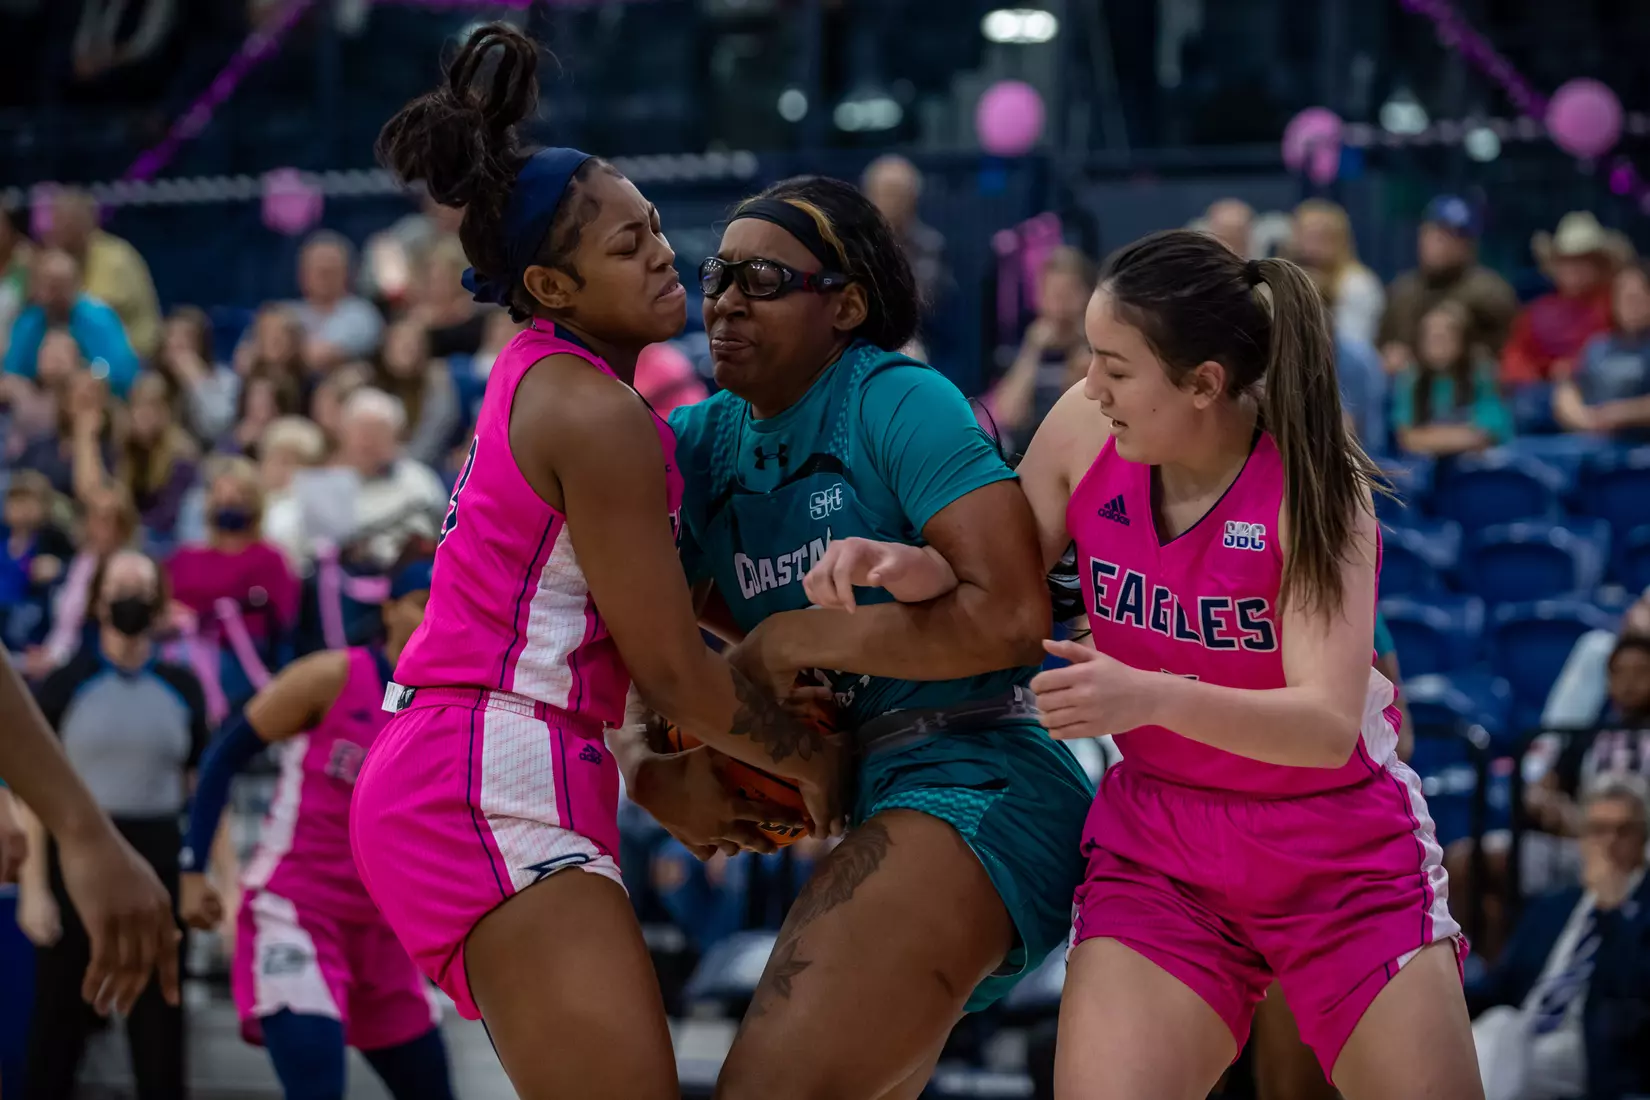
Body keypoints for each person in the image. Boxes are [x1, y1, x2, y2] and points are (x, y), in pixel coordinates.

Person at [347, 25, 843, 1100]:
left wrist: (653, 772)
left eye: (656, 226)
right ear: (551, 284)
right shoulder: (593, 409)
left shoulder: (567, 386)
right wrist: (818, 765)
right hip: (477, 768)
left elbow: (584, 636)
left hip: (503, 758)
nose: (662, 251)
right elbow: (672, 670)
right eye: (626, 246)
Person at [620, 175, 1094, 1100]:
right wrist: (653, 767)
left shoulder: (896, 398)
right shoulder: (701, 445)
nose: (723, 299)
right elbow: (639, 641)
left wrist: (789, 639)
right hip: (872, 793)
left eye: (761, 278)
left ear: (845, 303)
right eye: (718, 274)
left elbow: (1010, 617)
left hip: (979, 773)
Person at [1013, 230, 1476, 1097]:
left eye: (1116, 367)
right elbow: (999, 584)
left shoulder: (1315, 490)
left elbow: (1324, 728)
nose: (1090, 385)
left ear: (1203, 384)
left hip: (1337, 854)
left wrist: (1143, 693)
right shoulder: (1084, 428)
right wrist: (903, 566)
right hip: (1164, 848)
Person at [177, 559, 455, 1100]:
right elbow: (221, 757)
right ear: (389, 609)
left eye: (445, 600)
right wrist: (193, 870)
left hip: (385, 931)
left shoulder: (452, 701)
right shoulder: (331, 675)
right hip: (299, 911)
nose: (434, 611)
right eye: (421, 600)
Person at [17, 549, 208, 1100]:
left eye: (143, 586)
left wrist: (214, 878)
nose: (131, 597)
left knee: (160, 1031)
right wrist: (34, 891)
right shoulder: (65, 682)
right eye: (121, 585)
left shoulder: (182, 684)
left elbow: (201, 791)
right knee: (56, 1032)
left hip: (159, 858)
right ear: (97, 598)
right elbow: (31, 793)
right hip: (76, 861)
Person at [0, 645, 180, 1014]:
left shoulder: (178, 683)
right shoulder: (70, 681)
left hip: (148, 842)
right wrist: (81, 833)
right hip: (72, 843)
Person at [1468, 778, 1650, 1100]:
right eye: (1597, 829)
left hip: (1591, 1049)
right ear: (1581, 838)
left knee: (1498, 1047)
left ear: (1643, 839)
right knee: (1492, 1028)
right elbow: (1501, 984)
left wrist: (1611, 914)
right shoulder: (1554, 905)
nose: (1608, 842)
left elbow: (1634, 997)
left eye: (1622, 830)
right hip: (1523, 1033)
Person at [1378, 195, 1518, 375]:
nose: (1438, 242)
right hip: (1408, 390)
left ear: (1467, 245)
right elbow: (1381, 344)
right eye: (1433, 233)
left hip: (1469, 390)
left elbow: (1510, 352)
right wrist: (1388, 355)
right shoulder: (1402, 290)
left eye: (1450, 235)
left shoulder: (1491, 292)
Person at [1502, 212, 1629, 389]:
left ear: (1599, 266)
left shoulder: (1617, 304)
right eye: (1565, 262)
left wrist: (1577, 367)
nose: (1572, 270)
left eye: (1582, 261)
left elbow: (1632, 352)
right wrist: (1538, 380)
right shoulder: (1536, 312)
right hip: (1543, 396)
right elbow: (1515, 358)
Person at [1391, 300, 1513, 457]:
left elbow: (1482, 436)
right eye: (1429, 338)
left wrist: (1428, 436)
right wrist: (1457, 435)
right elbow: (1407, 438)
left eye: (1442, 338)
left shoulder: (1481, 373)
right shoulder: (1411, 377)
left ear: (1463, 340)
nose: (1435, 346)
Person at [1553, 260, 1650, 441]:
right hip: (1592, 441)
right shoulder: (1597, 346)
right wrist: (1583, 419)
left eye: (1636, 298)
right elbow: (1568, 389)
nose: (1629, 305)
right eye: (1623, 297)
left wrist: (1617, 415)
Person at [1290, 199, 1384, 346]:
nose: (1311, 248)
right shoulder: (1286, 279)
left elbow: (1354, 345)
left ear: (1340, 240)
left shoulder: (1358, 284)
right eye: (1306, 236)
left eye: (1320, 238)